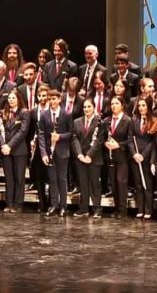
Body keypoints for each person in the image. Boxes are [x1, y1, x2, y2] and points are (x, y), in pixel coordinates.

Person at [39, 89, 74, 217]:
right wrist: (43, 153)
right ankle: (54, 204)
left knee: (62, 179)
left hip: (63, 151)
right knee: (52, 179)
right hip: (50, 152)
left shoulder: (66, 114)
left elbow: (71, 133)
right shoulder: (44, 115)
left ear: (59, 99)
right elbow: (41, 135)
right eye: (51, 99)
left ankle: (63, 206)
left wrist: (60, 137)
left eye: (55, 99)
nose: (52, 101)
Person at [0, 89, 29, 213]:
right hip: (5, 150)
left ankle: (18, 203)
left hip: (19, 150)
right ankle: (9, 203)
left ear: (18, 99)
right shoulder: (3, 112)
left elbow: (22, 132)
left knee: (19, 178)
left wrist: (9, 145)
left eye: (13, 98)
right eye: (9, 98)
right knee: (9, 178)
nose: (11, 100)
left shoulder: (24, 113)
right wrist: (3, 145)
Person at [72, 97, 105, 218]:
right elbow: (74, 139)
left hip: (94, 158)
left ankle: (97, 208)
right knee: (83, 183)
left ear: (94, 107)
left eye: (89, 107)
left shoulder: (100, 122)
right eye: (85, 107)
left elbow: (99, 141)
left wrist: (89, 155)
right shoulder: (77, 122)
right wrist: (80, 154)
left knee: (95, 184)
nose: (86, 109)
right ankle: (84, 208)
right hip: (80, 158)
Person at [104, 96, 134, 218]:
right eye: (112, 103)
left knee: (121, 182)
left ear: (122, 105)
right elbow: (103, 136)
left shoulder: (127, 120)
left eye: (116, 103)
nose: (114, 106)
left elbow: (130, 139)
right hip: (110, 155)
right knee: (114, 183)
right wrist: (105, 143)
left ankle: (122, 210)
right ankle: (116, 208)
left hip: (122, 156)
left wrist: (118, 145)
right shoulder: (107, 120)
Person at [130, 97, 155, 219]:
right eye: (139, 105)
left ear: (148, 107)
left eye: (143, 105)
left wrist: (143, 155)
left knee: (147, 184)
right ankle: (140, 208)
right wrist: (134, 153)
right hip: (135, 156)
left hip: (147, 157)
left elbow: (153, 141)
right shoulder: (134, 120)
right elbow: (130, 139)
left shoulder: (153, 120)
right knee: (138, 184)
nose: (141, 108)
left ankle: (148, 210)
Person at [29, 84, 50, 213]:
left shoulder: (51, 110)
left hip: (51, 144)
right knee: (39, 175)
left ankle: (52, 202)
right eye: (40, 96)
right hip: (38, 145)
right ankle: (42, 203)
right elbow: (32, 129)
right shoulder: (34, 111)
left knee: (51, 175)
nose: (42, 98)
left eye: (44, 96)